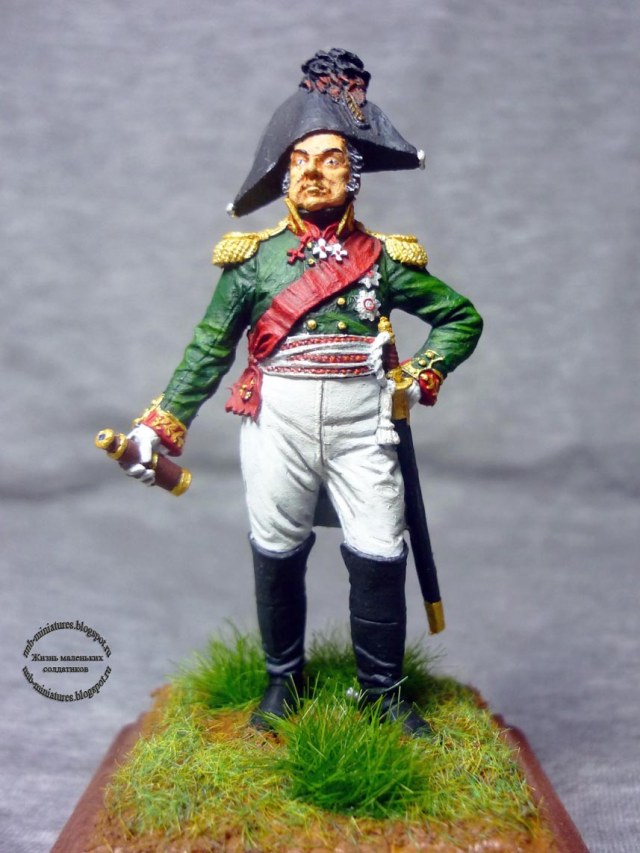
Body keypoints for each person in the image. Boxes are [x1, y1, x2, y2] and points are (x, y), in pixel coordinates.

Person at [123, 48, 483, 736]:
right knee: (276, 544)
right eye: (301, 160)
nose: (315, 172)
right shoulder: (252, 260)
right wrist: (159, 425)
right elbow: (209, 347)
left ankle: (382, 693)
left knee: (381, 546)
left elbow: (461, 317)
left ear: (355, 173)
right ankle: (282, 681)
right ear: (286, 171)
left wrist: (419, 374)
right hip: (278, 422)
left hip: (364, 423)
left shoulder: (385, 260)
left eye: (331, 158)